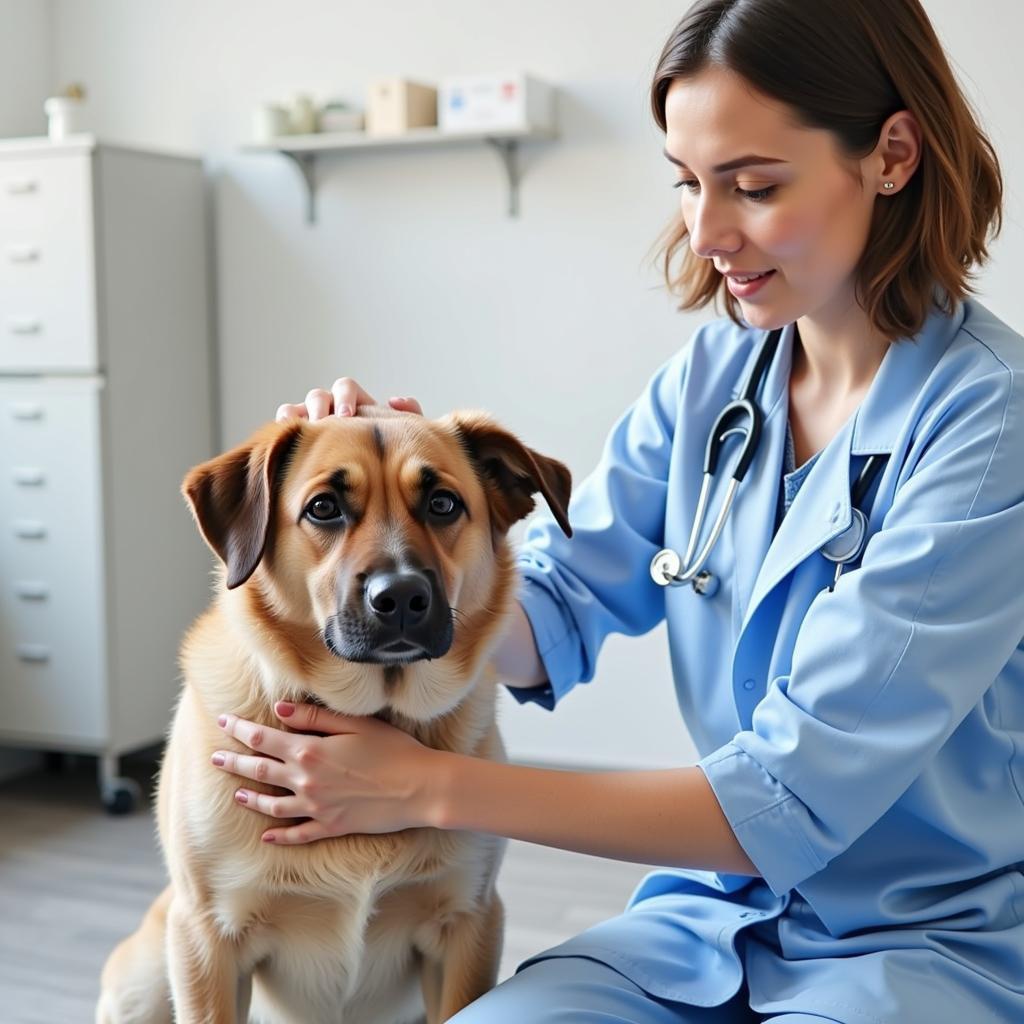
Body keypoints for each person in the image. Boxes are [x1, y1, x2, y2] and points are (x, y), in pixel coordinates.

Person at [209, 1, 1024, 1019]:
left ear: (891, 153)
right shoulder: (714, 380)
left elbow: (794, 795)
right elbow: (547, 610)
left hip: (921, 944)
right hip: (712, 918)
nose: (706, 231)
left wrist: (419, 784)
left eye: (754, 185)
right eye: (687, 183)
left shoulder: (987, 424)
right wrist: (423, 534)